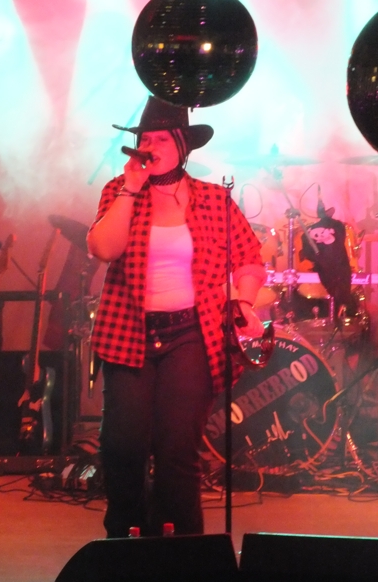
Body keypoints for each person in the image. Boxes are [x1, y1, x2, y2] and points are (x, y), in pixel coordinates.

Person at [87, 95, 266, 538]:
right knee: (123, 445)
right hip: (128, 331)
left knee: (176, 450)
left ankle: (184, 552)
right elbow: (103, 248)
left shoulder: (214, 199)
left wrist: (243, 302)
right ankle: (124, 544)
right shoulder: (119, 190)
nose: (151, 146)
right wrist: (131, 187)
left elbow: (249, 259)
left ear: (183, 144)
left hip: (191, 333)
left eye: (161, 139)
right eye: (145, 139)